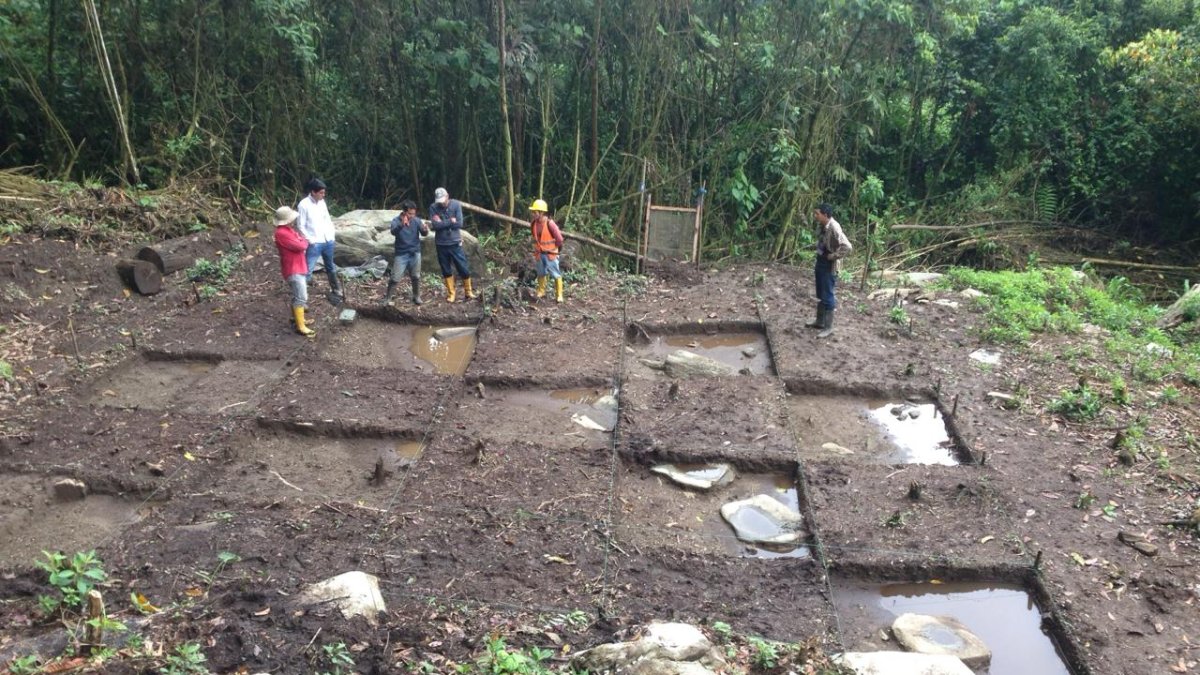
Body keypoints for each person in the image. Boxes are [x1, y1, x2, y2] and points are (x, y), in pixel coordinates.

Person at [807, 202, 852, 338]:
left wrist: (833, 256)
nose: (815, 216)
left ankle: (828, 327)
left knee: (827, 294)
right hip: (821, 261)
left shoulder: (834, 227)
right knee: (820, 292)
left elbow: (847, 247)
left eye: (817, 214)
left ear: (825, 215)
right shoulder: (823, 225)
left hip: (829, 264)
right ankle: (819, 321)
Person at [296, 177, 342, 303]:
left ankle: (336, 289)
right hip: (315, 242)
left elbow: (327, 219)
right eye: (321, 193)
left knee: (330, 266)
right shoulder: (303, 205)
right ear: (313, 192)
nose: (323, 195)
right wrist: (311, 240)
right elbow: (300, 225)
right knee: (308, 269)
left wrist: (331, 234)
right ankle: (301, 297)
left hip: (328, 240)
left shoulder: (322, 202)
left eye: (324, 192)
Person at [428, 187, 477, 302]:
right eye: (439, 201)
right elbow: (435, 226)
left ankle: (468, 291)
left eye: (443, 200)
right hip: (441, 244)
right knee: (446, 269)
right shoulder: (433, 207)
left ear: (447, 196)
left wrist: (442, 222)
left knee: (463, 267)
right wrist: (450, 221)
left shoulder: (456, 205)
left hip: (455, 242)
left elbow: (459, 224)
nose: (442, 203)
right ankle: (451, 293)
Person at [273, 206, 315, 337]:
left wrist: (301, 239)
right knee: (301, 297)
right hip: (293, 268)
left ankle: (297, 319)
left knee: (298, 295)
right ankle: (301, 327)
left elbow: (300, 240)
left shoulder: (289, 230)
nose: (294, 220)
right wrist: (303, 240)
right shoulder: (282, 233)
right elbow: (301, 245)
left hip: (298, 266)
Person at [384, 199, 429, 305]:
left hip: (415, 253)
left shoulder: (416, 220)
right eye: (410, 213)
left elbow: (423, 233)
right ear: (404, 212)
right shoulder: (396, 221)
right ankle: (388, 298)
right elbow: (393, 232)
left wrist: (425, 230)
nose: (412, 216)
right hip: (401, 254)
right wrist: (402, 225)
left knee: (416, 277)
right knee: (395, 278)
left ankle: (416, 296)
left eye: (414, 213)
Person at [528, 199, 565, 303]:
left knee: (555, 273)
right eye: (533, 212)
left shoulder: (550, 224)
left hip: (551, 254)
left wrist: (556, 249)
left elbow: (559, 239)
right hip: (540, 253)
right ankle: (541, 291)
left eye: (535, 212)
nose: (533, 214)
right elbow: (535, 237)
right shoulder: (534, 224)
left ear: (541, 212)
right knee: (541, 272)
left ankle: (559, 295)